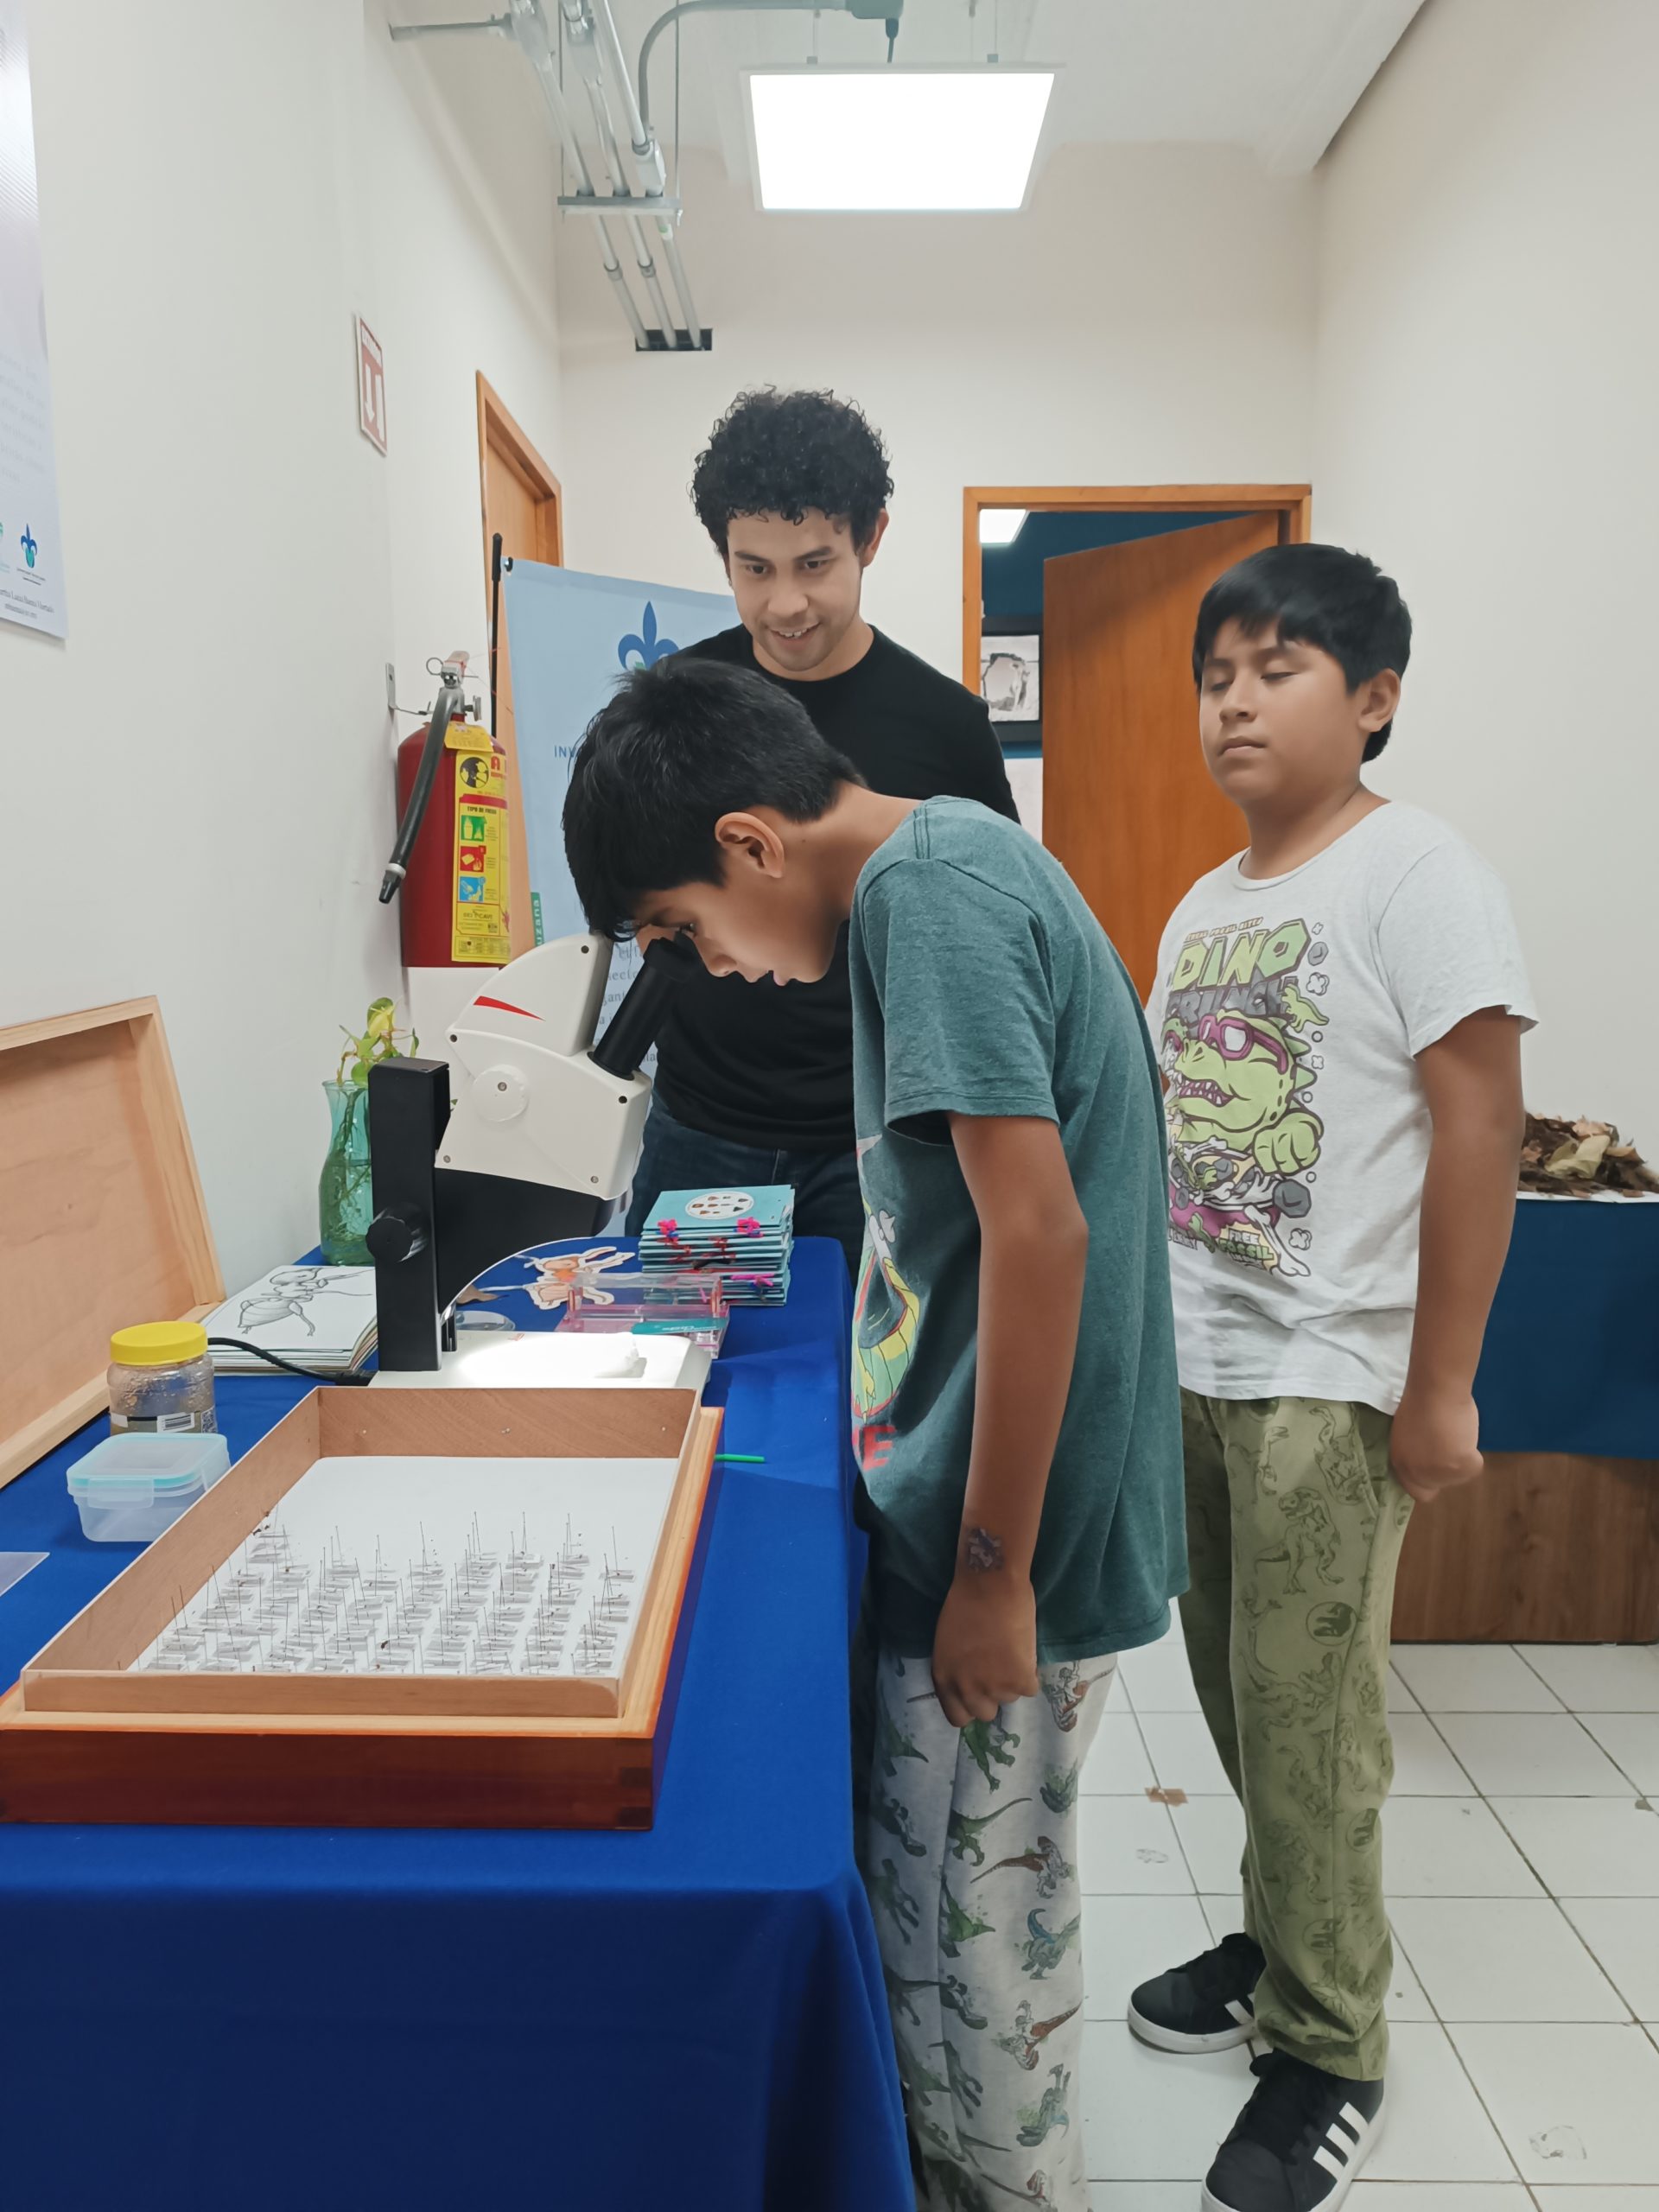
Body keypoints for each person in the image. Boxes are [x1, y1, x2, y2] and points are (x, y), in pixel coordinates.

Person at [565, 655, 1186, 2212]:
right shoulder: (921, 881)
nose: (708, 971)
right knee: (923, 1911)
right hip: (965, 1493)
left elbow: (1040, 1237)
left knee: (981, 1946)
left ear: (751, 844)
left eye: (682, 933)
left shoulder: (935, 898)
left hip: (1015, 1538)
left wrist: (992, 1573)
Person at [1132, 544, 1533, 2212]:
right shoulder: (1201, 907)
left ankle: (1332, 2042)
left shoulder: (1416, 871)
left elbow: (1483, 1123)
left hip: (1331, 1373)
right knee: (1240, 1699)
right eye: (1216, 673)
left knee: (1315, 1724)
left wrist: (1441, 1385)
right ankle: (1282, 1932)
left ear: (1372, 700)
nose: (1234, 699)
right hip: (1202, 1363)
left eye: (1276, 668)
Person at [630, 388, 1020, 1281]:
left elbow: (988, 931)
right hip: (702, 1126)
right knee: (677, 1358)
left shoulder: (946, 726)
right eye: (754, 568)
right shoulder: (676, 707)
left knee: (873, 1365)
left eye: (815, 563)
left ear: (870, 537)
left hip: (878, 1137)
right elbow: (643, 900)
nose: (786, 602)